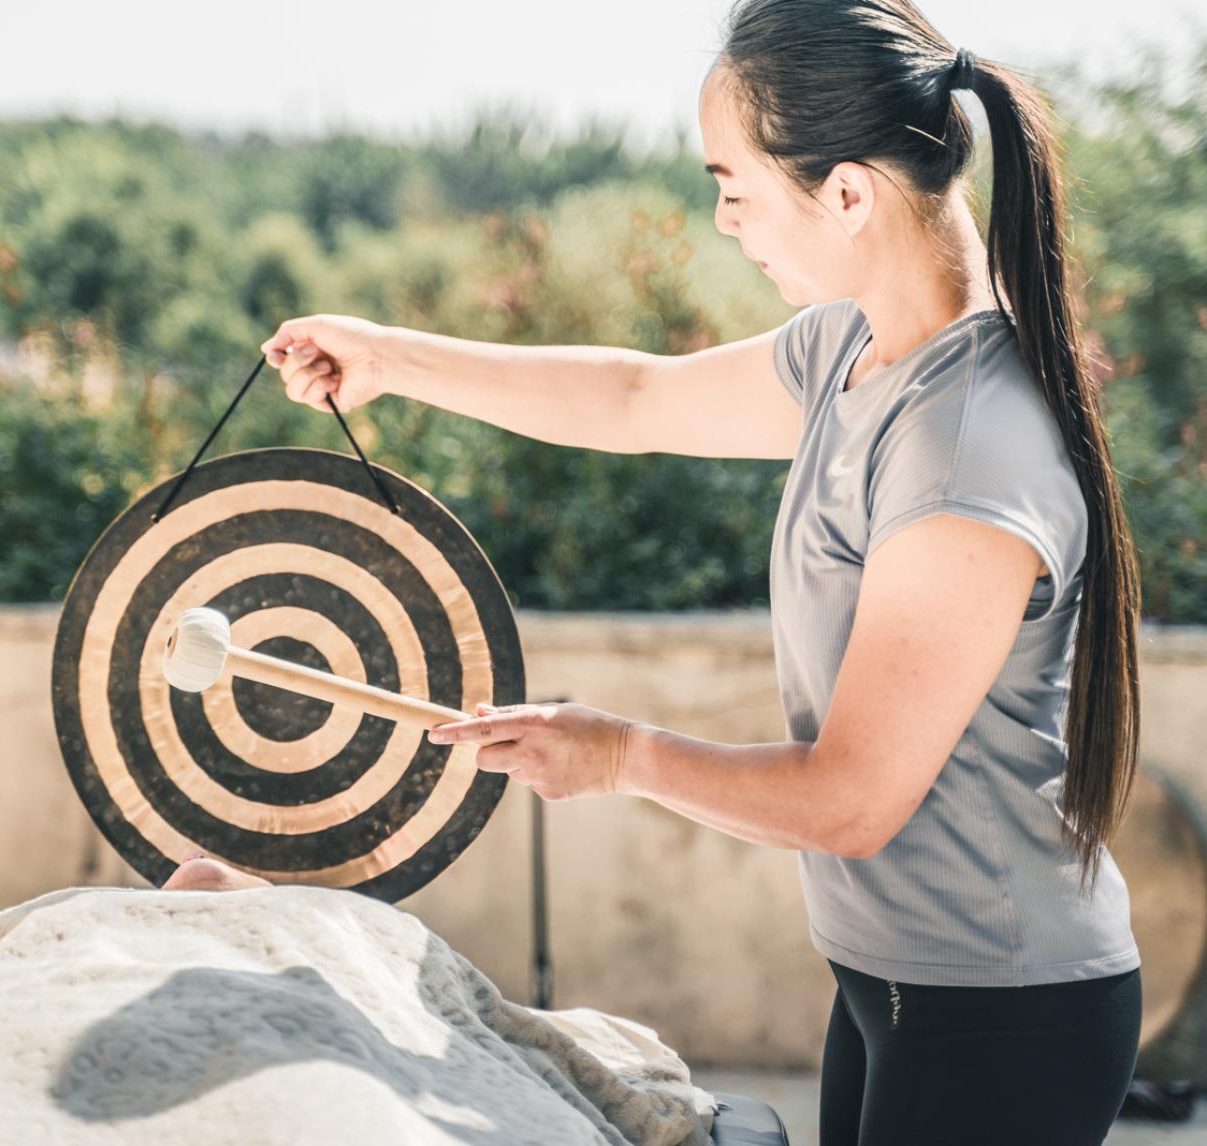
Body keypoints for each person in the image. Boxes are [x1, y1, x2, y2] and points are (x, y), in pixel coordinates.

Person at [258, 2, 1143, 1142]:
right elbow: (635, 399)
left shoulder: (964, 444)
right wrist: (387, 356)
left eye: (734, 185)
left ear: (848, 193)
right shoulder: (850, 354)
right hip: (895, 984)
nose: (723, 220)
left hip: (1007, 1011)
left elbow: (853, 799)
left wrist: (622, 754)